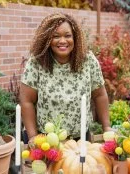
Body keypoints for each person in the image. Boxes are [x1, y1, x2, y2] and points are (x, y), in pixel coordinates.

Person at [19, 13, 111, 143]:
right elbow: (26, 101)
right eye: (55, 36)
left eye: (67, 35)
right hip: (46, 140)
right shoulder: (37, 63)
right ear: (47, 39)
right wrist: (33, 136)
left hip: (81, 140)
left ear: (75, 38)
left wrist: (107, 127)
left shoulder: (88, 60)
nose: (62, 41)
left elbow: (99, 95)